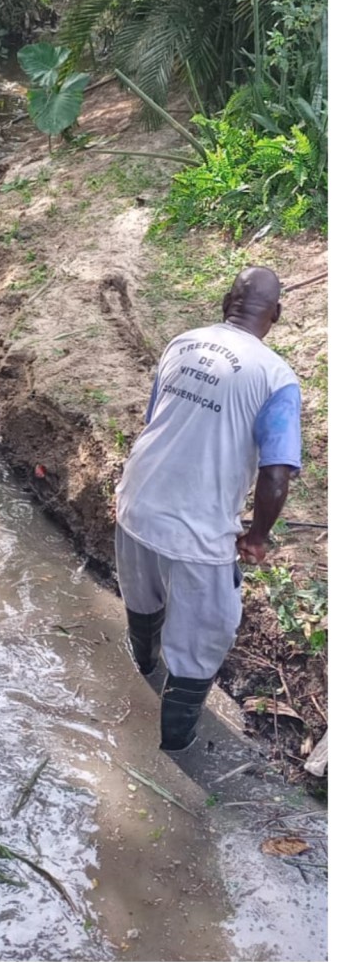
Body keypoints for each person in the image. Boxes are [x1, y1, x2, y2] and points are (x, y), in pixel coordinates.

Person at [114, 267, 301, 754]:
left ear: (225, 303)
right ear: (275, 315)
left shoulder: (182, 343)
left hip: (135, 503)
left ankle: (144, 671)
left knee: (143, 599)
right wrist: (257, 537)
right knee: (199, 649)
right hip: (197, 533)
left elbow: (157, 418)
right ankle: (174, 752)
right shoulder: (276, 377)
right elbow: (276, 475)